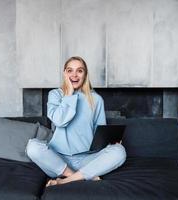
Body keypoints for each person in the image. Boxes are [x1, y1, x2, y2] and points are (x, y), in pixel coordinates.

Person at [25, 56, 126, 187]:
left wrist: (109, 142)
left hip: (87, 159)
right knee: (32, 147)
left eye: (79, 70)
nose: (74, 75)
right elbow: (60, 121)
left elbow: (99, 133)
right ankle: (77, 175)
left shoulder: (96, 99)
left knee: (119, 151)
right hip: (57, 159)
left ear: (85, 74)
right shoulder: (55, 95)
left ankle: (66, 180)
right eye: (70, 70)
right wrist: (69, 94)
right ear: (64, 73)